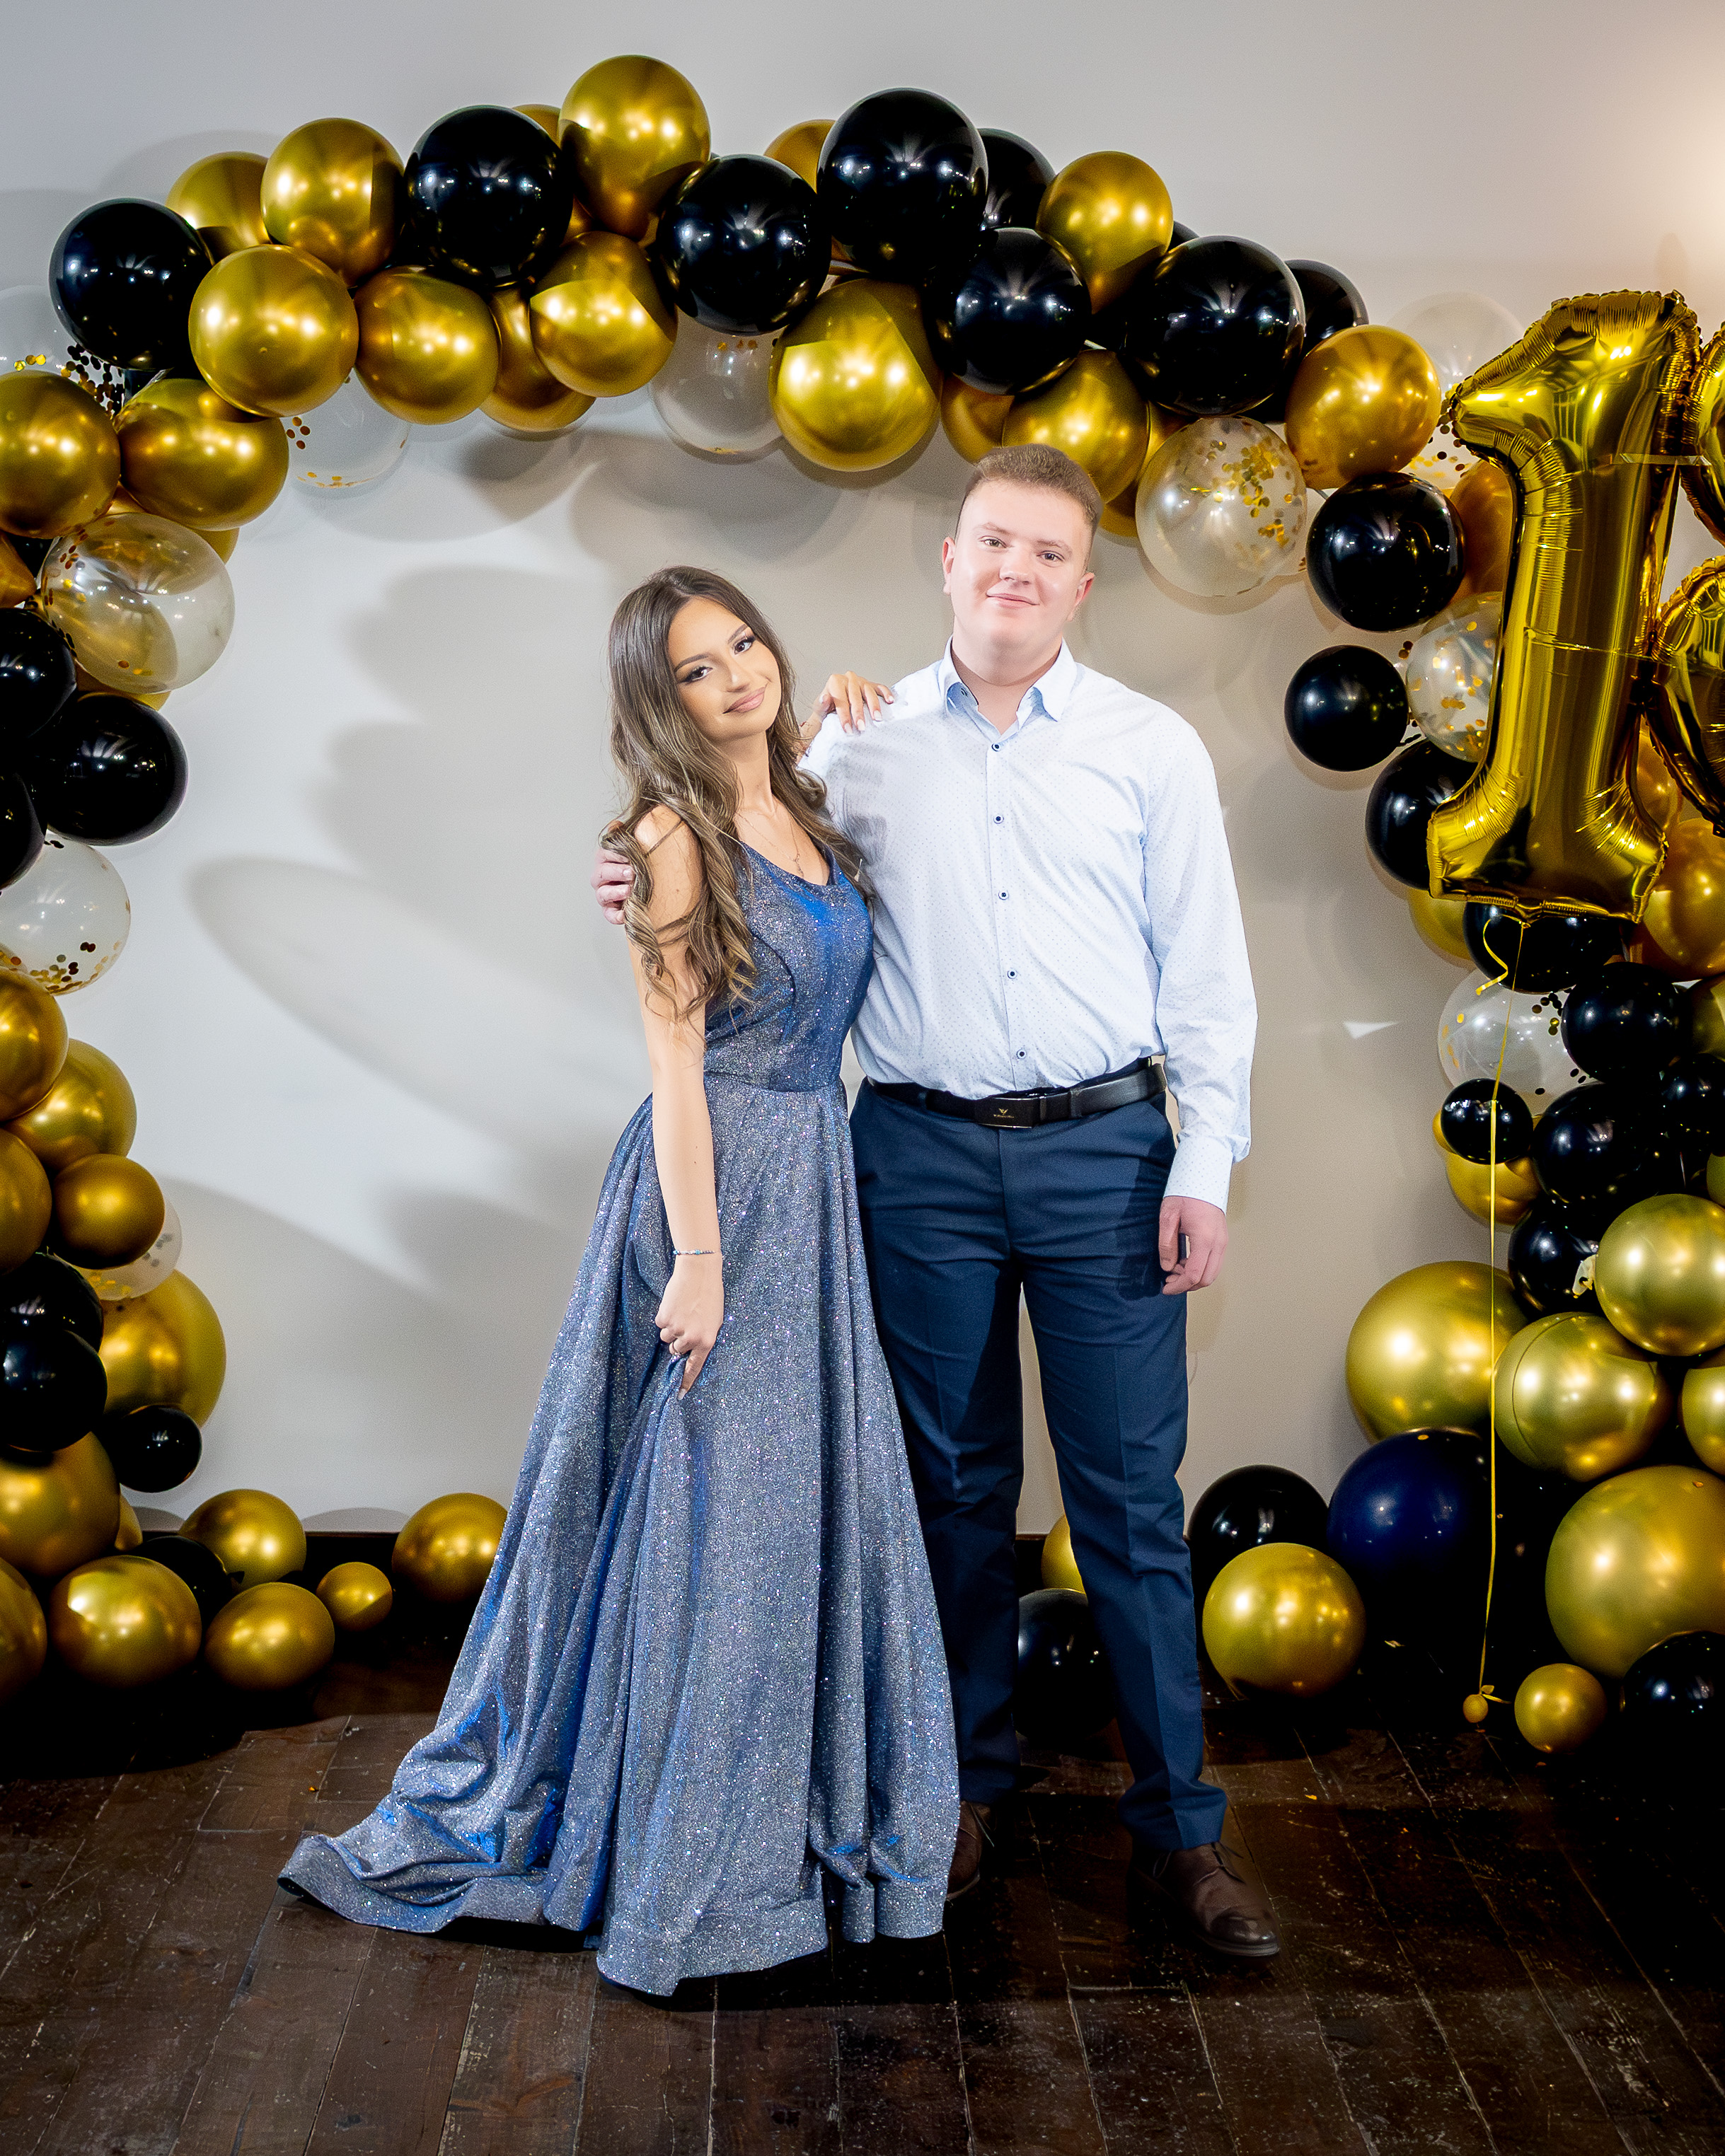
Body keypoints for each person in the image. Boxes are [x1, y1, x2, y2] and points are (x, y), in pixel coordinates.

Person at [594, 443, 1277, 1959]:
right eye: (992, 543)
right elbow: (725, 836)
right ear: (951, 559)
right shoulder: (853, 745)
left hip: (1109, 1156)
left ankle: (1179, 1838)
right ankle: (954, 1800)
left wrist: (1203, 1163)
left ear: (1081, 585)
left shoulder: (1151, 747)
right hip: (912, 1165)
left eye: (1048, 553)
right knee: (949, 1500)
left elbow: (1208, 977)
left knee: (1129, 1510)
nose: (1015, 570)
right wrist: (629, 875)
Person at [282, 566, 958, 1997]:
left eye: (745, 644)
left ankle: (770, 1836)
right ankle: (694, 1872)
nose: (736, 676)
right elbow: (675, 1067)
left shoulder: (806, 800)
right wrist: (701, 1260)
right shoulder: (668, 838)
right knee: (725, 1522)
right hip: (714, 1187)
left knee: (775, 1517)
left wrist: (853, 705)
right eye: (698, 668)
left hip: (812, 1178)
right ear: (661, 699)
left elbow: (825, 778)